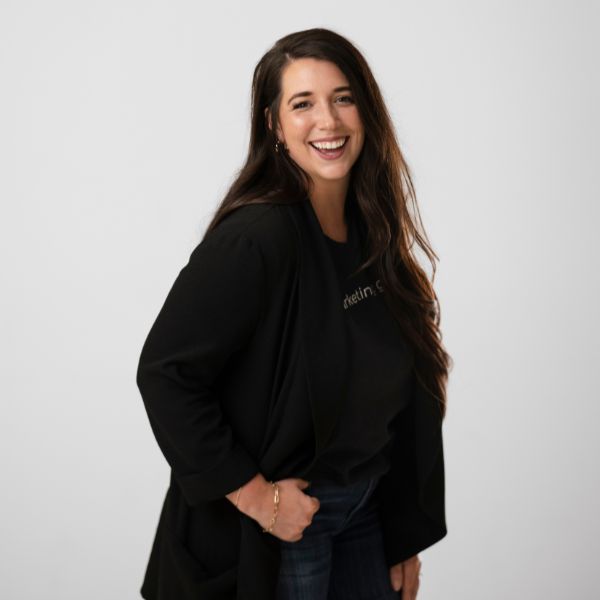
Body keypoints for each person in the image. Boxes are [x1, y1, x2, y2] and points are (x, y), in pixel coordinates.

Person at [136, 27, 450, 600]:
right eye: (302, 104)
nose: (327, 121)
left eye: (343, 97)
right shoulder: (257, 239)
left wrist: (404, 530)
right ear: (275, 126)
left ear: (367, 111)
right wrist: (260, 500)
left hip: (367, 514)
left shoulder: (373, 235)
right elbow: (165, 374)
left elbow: (401, 398)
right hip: (283, 526)